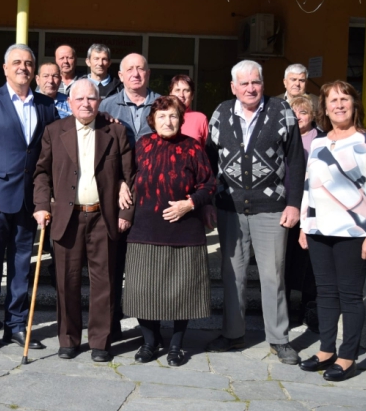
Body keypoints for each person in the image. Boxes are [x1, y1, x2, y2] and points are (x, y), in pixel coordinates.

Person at [204, 60, 306, 365]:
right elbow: (209, 161)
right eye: (244, 83)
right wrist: (208, 200)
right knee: (232, 273)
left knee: (273, 274)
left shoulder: (281, 111)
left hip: (271, 208)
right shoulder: (221, 112)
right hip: (229, 208)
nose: (251, 88)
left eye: (256, 82)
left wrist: (294, 203)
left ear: (263, 83)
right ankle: (233, 333)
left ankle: (279, 338)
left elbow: (296, 161)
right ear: (233, 87)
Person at [0, 43, 58, 354]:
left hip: (29, 202)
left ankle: (16, 325)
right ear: (5, 68)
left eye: (28, 63)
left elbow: (51, 152)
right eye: (16, 62)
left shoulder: (46, 105)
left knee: (21, 268)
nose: (23, 67)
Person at [33, 79, 134, 362]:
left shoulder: (115, 131)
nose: (85, 104)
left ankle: (101, 342)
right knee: (67, 282)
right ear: (69, 103)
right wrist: (41, 205)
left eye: (91, 98)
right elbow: (41, 173)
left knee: (104, 283)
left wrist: (126, 213)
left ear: (99, 102)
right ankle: (68, 339)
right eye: (79, 99)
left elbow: (130, 175)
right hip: (67, 218)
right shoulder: (54, 131)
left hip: (104, 217)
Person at [298, 80, 366, 382]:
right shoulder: (320, 143)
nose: (339, 105)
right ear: (324, 109)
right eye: (332, 100)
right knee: (325, 294)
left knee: (349, 296)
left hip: (354, 232)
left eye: (344, 99)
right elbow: (309, 187)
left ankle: (348, 358)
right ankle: (326, 351)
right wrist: (305, 225)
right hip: (318, 230)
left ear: (354, 104)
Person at [121, 95, 216, 366]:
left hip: (184, 231)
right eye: (162, 116)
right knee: (142, 291)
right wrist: (121, 185)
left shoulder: (193, 147)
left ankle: (176, 345)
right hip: (145, 230)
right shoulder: (142, 145)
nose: (167, 121)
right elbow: (127, 175)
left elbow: (209, 184)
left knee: (181, 292)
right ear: (152, 120)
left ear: (181, 119)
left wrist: (190, 204)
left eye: (173, 115)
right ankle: (149, 342)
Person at [99, 53, 160, 340]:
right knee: (112, 265)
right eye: (129, 69)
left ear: (148, 73)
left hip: (153, 197)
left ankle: (151, 333)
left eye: (141, 68)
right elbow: (98, 155)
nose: (136, 73)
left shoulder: (163, 105)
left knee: (147, 268)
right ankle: (111, 326)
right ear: (120, 76)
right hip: (117, 197)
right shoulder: (105, 107)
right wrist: (120, 182)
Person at [285, 95, 323, 332]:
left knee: (309, 260)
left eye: (304, 112)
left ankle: (308, 307)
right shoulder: (283, 137)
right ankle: (284, 308)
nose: (298, 117)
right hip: (286, 205)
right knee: (285, 259)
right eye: (294, 113)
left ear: (313, 115)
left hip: (314, 206)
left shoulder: (322, 139)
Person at [169, 74, 208, 147]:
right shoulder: (163, 117)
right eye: (177, 90)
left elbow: (207, 150)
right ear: (170, 94)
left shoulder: (200, 119)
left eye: (186, 90)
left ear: (192, 95)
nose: (181, 95)